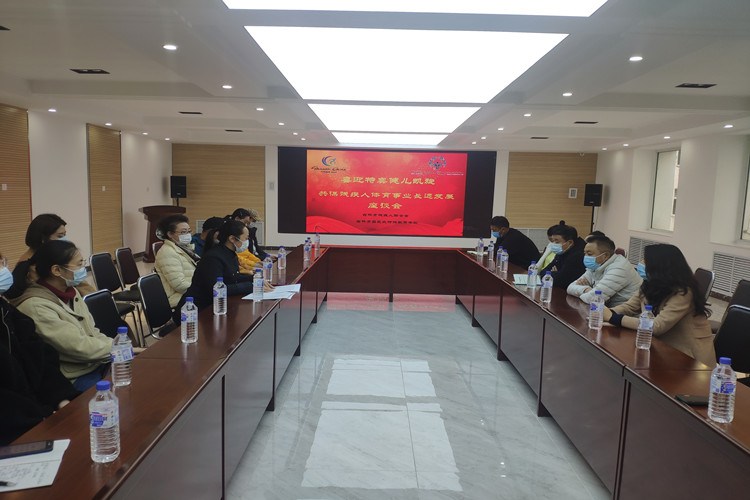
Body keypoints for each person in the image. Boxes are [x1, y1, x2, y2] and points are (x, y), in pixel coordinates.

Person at [10, 240, 144, 391]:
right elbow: (78, 347)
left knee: (142, 374)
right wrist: (122, 350)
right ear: (56, 270)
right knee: (127, 392)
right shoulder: (36, 306)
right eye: (79, 264)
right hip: (73, 377)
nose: (83, 269)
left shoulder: (71, 292)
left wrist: (120, 349)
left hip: (96, 362)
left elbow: (93, 332)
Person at [1, 250, 80, 445]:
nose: (3, 269)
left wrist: (61, 399)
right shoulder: (33, 304)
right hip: (16, 428)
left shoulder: (6, 310)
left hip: (40, 410)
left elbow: (40, 356)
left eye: (2, 262)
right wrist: (41, 417)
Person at [604, 244, 715, 366]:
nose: (640, 264)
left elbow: (657, 326)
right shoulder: (650, 284)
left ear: (660, 266)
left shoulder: (683, 292)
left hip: (689, 357)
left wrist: (613, 318)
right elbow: (630, 307)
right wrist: (604, 312)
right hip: (662, 347)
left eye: (645, 261)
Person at [174, 220, 257, 320]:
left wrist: (254, 279)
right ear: (232, 238)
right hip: (196, 312)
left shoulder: (230, 253)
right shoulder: (213, 258)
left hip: (216, 307)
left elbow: (232, 277)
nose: (247, 241)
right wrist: (250, 286)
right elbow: (217, 290)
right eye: (246, 238)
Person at [7, 214, 95, 299]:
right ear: (43, 238)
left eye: (64, 235)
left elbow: (83, 287)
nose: (64, 240)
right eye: (60, 236)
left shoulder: (55, 255)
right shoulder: (31, 267)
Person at [566, 234, 642, 306]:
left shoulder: (620, 268)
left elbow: (592, 298)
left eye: (589, 254)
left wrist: (590, 292)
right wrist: (587, 289)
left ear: (605, 255)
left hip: (625, 312)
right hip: (605, 309)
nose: (585, 257)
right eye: (584, 253)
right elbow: (570, 288)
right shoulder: (596, 265)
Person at [154, 215, 200, 308]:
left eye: (189, 231)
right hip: (177, 299)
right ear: (170, 234)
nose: (188, 235)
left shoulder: (185, 248)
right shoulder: (167, 253)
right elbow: (180, 285)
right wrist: (202, 289)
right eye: (183, 232)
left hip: (189, 293)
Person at [539, 221, 586, 289]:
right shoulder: (563, 250)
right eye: (552, 241)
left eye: (557, 241)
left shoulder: (578, 255)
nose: (553, 244)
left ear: (570, 242)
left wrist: (554, 274)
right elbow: (543, 271)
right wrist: (555, 273)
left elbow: (560, 281)